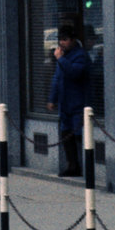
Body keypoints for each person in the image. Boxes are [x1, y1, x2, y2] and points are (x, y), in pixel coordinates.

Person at [47, 24, 91, 177]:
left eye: (65, 40)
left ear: (73, 40)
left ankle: (86, 166)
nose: (61, 43)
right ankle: (72, 165)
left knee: (79, 135)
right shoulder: (63, 56)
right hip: (65, 103)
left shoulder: (80, 55)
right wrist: (52, 98)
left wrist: (60, 59)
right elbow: (57, 78)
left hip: (78, 103)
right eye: (60, 40)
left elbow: (74, 73)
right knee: (66, 135)